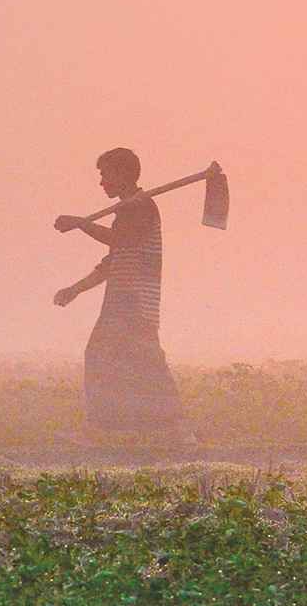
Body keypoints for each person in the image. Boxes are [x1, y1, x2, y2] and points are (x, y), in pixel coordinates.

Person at [53, 147, 182, 433]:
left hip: (134, 301)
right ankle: (144, 428)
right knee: (136, 362)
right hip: (122, 301)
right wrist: (75, 289)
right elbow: (112, 262)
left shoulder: (140, 207)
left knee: (109, 357)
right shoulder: (129, 209)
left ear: (123, 174)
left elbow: (121, 239)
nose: (102, 182)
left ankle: (109, 427)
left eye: (105, 174)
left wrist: (81, 224)